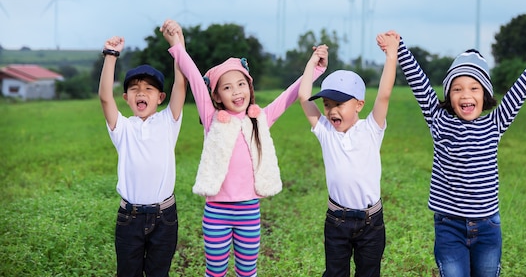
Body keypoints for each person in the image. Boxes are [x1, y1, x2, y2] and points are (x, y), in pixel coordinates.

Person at [384, 29, 526, 277]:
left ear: (485, 94)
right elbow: (418, 81)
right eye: (457, 89)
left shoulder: (495, 123)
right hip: (449, 227)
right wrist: (399, 47)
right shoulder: (438, 119)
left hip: (487, 228)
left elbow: (521, 87)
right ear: (449, 96)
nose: (466, 95)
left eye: (474, 88)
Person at [161, 19, 327, 277]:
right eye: (227, 88)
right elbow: (193, 77)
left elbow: (290, 95)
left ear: (249, 87)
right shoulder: (212, 118)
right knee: (214, 271)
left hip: (249, 211)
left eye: (241, 85)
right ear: (216, 96)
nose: (236, 92)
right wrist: (177, 44)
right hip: (216, 211)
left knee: (247, 272)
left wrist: (313, 70)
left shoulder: (260, 117)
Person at [297, 34, 399, 277]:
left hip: (371, 222)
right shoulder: (325, 132)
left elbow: (384, 94)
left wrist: (391, 55)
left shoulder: (371, 128)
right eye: (327, 104)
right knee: (335, 273)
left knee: (369, 273)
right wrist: (313, 63)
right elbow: (303, 97)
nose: (332, 110)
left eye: (339, 103)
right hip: (337, 220)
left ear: (359, 105)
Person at [98, 21, 187, 277]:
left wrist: (177, 44)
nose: (141, 93)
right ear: (126, 98)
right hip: (129, 218)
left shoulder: (168, 121)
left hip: (165, 217)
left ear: (160, 97)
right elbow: (105, 97)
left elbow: (180, 85)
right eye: (135, 89)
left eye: (149, 89)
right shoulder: (123, 128)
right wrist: (111, 56)